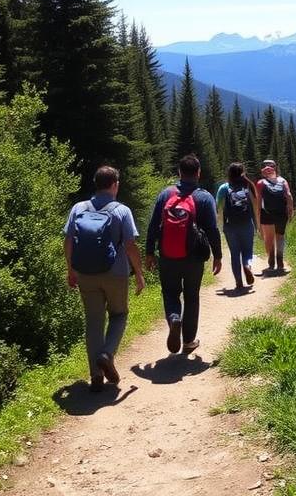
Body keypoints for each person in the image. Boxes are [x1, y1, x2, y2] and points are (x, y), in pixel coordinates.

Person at [63, 165, 144, 392]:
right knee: (119, 315)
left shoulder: (78, 208)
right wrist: (138, 273)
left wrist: (71, 270)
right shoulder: (121, 211)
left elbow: (68, 241)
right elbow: (130, 245)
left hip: (85, 274)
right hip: (116, 274)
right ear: (115, 185)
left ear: (96, 184)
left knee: (94, 323)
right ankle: (107, 355)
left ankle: (96, 376)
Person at [146, 154, 223, 355]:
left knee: (170, 293)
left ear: (179, 172)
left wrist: (149, 252)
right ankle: (188, 341)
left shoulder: (165, 194)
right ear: (198, 173)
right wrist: (218, 255)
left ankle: (174, 319)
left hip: (167, 255)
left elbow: (153, 225)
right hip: (194, 258)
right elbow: (213, 230)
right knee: (191, 297)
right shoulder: (204, 197)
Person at [215, 162, 261, 293]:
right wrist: (257, 226)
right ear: (243, 173)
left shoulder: (224, 188)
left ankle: (238, 282)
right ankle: (247, 265)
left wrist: (219, 223)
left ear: (229, 174)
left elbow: (216, 206)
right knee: (247, 251)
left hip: (230, 226)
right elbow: (256, 207)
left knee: (234, 254)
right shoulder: (248, 185)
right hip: (247, 223)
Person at [256, 157, 293, 273]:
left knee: (269, 238)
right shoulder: (283, 181)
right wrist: (291, 210)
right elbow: (288, 195)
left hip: (267, 214)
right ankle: (280, 262)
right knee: (280, 237)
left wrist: (258, 215)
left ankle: (271, 263)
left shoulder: (260, 183)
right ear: (275, 168)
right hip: (281, 214)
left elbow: (258, 201)